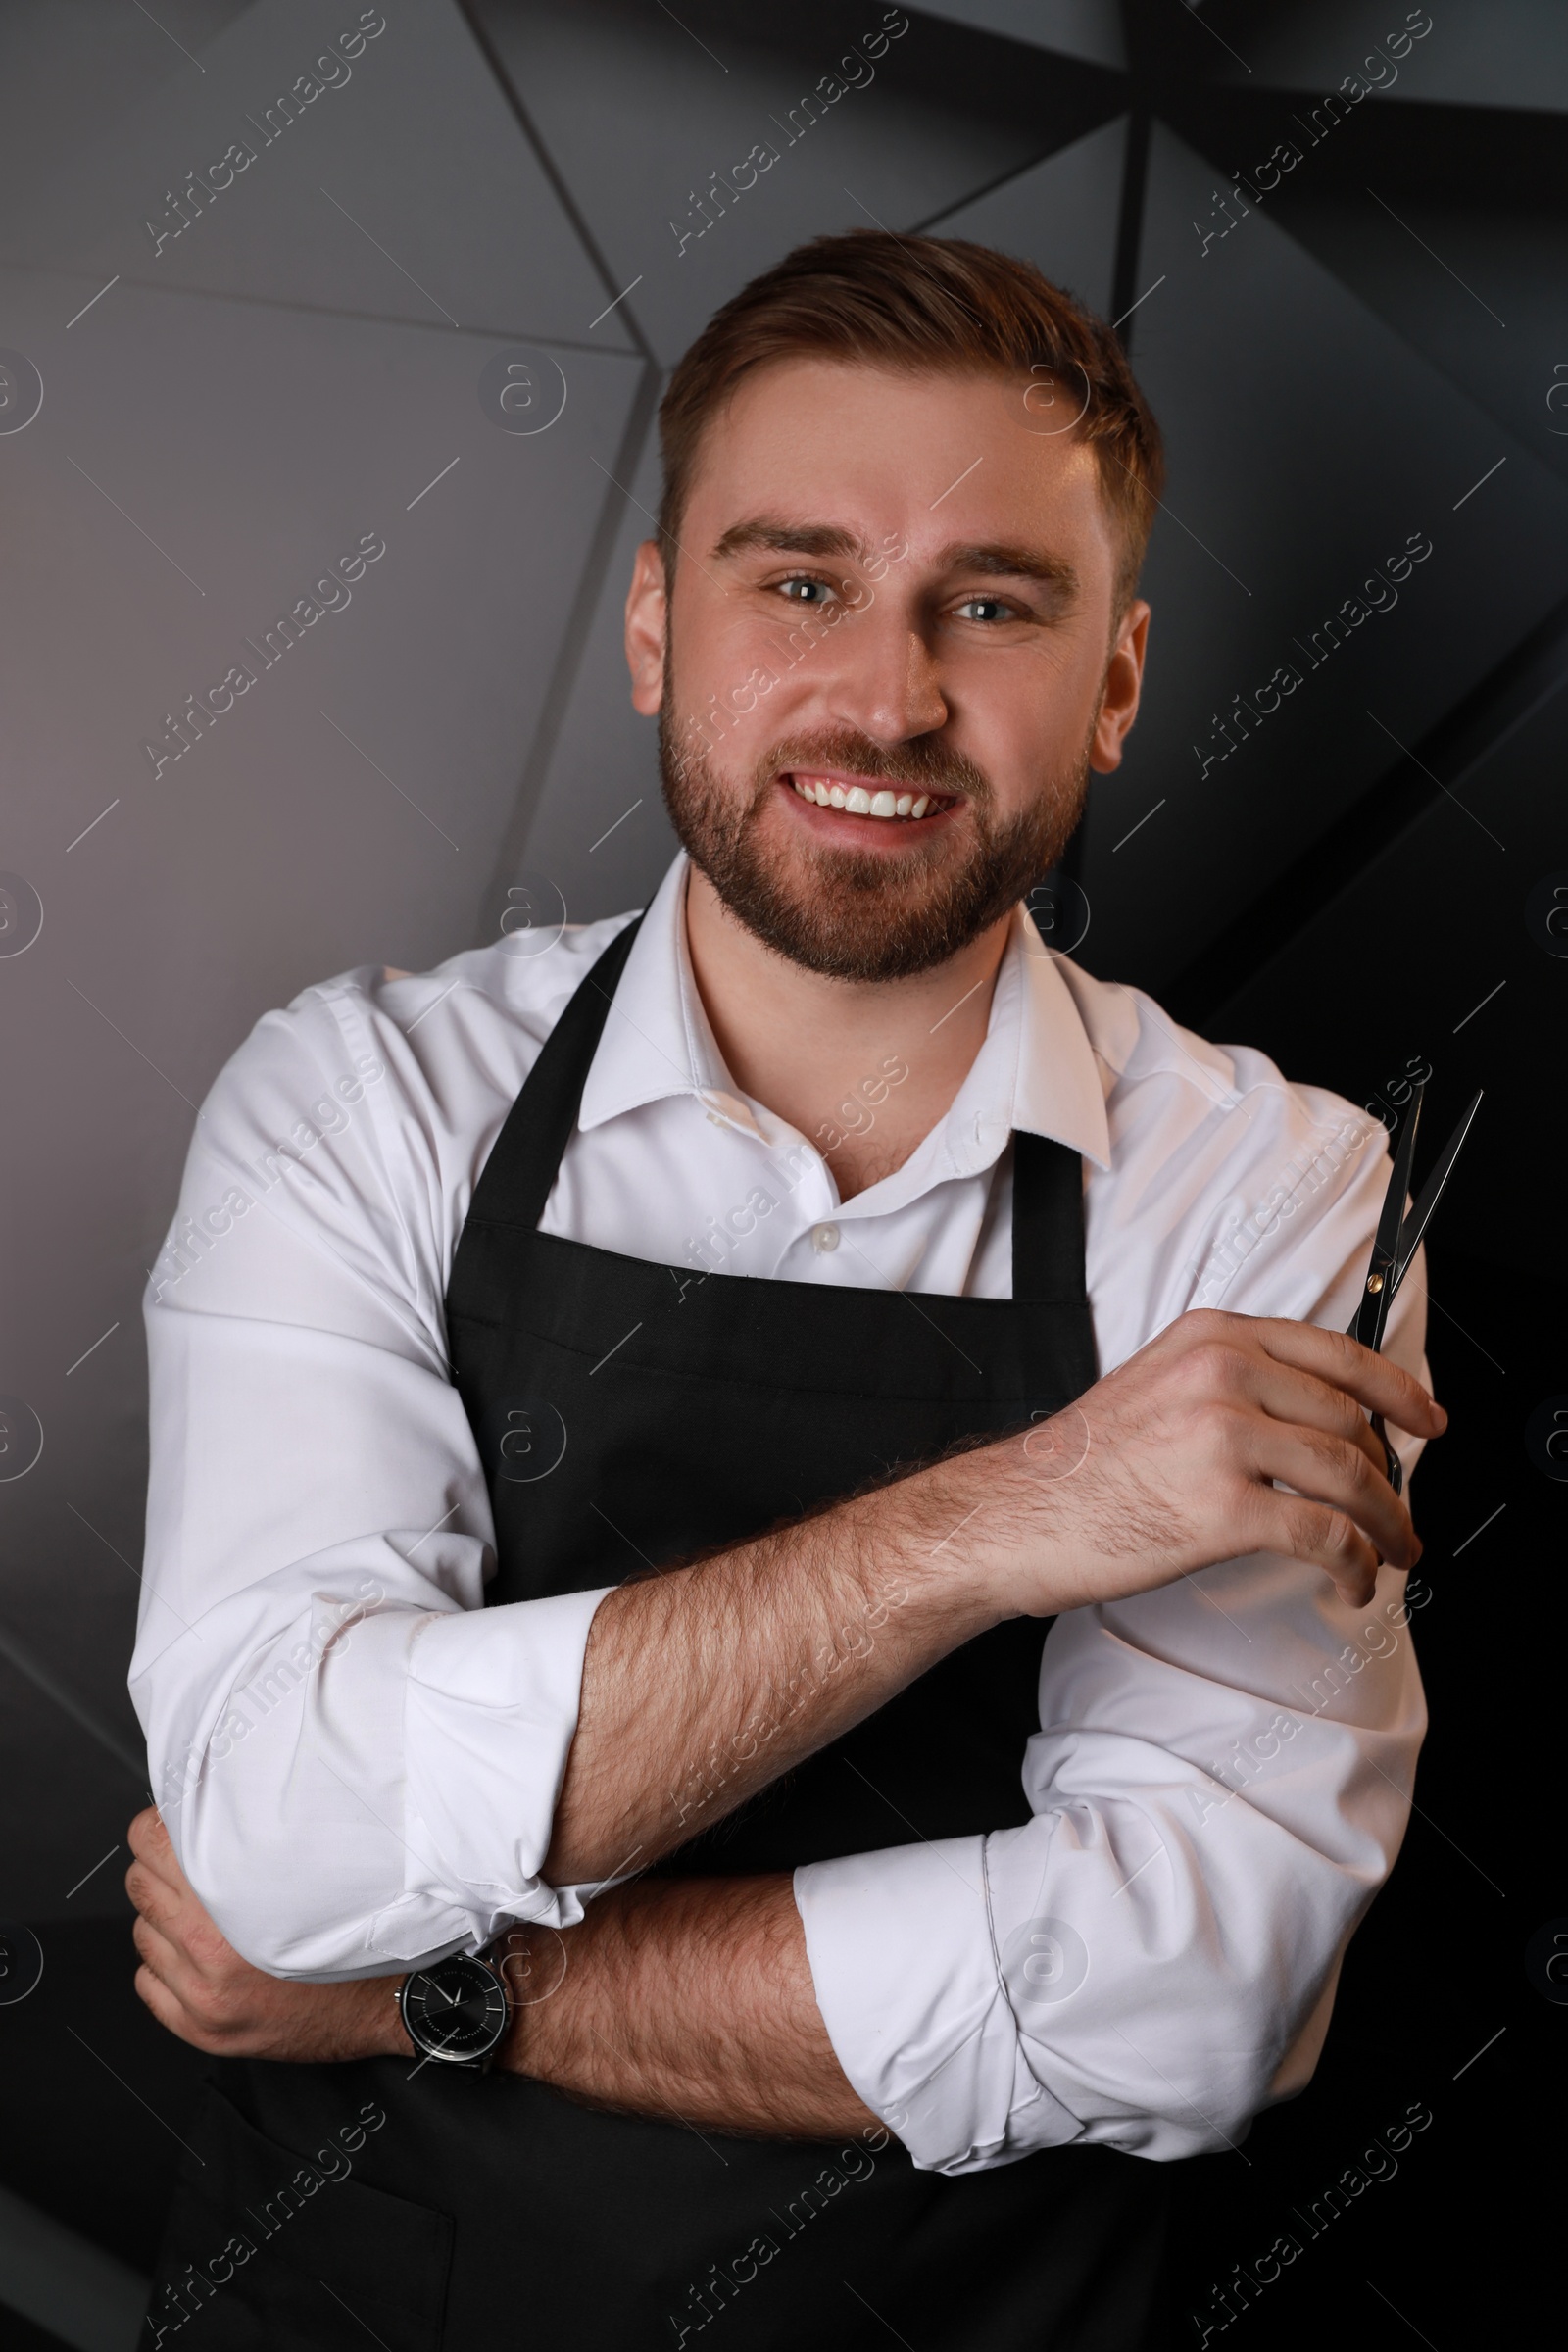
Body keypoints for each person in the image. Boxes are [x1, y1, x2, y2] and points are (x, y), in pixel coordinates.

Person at [125, 232, 1442, 2351]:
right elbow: (279, 1824)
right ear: (657, 626)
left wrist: (444, 1987)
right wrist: (1004, 1520)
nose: (888, 697)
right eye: (797, 581)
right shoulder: (360, 1101)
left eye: (991, 606)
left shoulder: (1271, 1190)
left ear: (1110, 681)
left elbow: (1200, 1987)